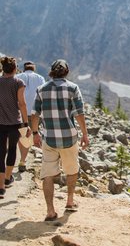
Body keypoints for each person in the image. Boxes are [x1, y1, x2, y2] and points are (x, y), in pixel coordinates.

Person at [31, 59, 89, 221]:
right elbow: (79, 113)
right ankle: (70, 201)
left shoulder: (41, 89)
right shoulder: (73, 88)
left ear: (52, 71)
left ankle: (50, 211)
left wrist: (35, 133)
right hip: (69, 137)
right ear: (66, 71)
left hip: (49, 138)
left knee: (47, 174)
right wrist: (85, 134)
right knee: (71, 169)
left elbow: (35, 113)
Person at [0, 56, 31, 199]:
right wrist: (26, 123)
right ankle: (7, 179)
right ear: (14, 69)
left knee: (1, 152)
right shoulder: (19, 82)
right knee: (12, 150)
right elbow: (22, 104)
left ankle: (0, 188)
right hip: (14, 122)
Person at [16, 61, 45, 172]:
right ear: (34, 68)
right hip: (35, 113)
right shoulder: (40, 78)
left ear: (24, 68)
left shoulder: (18, 76)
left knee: (21, 135)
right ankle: (23, 160)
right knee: (30, 136)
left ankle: (21, 160)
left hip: (20, 111)